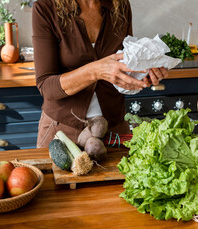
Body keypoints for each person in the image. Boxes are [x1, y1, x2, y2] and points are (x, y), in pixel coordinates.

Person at [32, 0, 168, 148]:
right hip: (62, 132)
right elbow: (46, 86)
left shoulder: (120, 5)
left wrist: (143, 73)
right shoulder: (45, 8)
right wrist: (96, 71)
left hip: (114, 130)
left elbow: (126, 62)